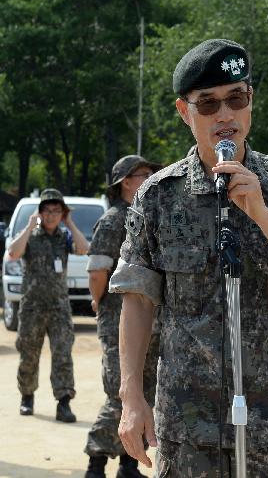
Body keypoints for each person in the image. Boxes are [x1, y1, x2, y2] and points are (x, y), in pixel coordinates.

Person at [112, 38, 268, 476]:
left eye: (236, 98)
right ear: (185, 112)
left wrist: (261, 212)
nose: (225, 115)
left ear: (250, 101)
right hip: (187, 421)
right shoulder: (158, 196)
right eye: (209, 104)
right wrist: (131, 398)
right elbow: (137, 300)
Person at [84, 154, 162, 478]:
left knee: (144, 395)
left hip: (149, 322)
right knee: (120, 394)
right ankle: (97, 460)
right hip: (118, 321)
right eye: (142, 175)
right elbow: (97, 270)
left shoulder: (147, 216)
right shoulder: (114, 219)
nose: (149, 179)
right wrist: (98, 301)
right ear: (125, 182)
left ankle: (129, 463)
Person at [7, 188, 89, 422]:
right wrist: (30, 226)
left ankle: (63, 403)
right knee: (29, 355)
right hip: (32, 307)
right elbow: (13, 253)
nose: (51, 215)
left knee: (63, 355)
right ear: (39, 212)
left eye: (57, 211)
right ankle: (27, 397)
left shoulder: (65, 237)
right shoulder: (30, 236)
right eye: (47, 211)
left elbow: (84, 249)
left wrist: (70, 223)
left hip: (59, 308)